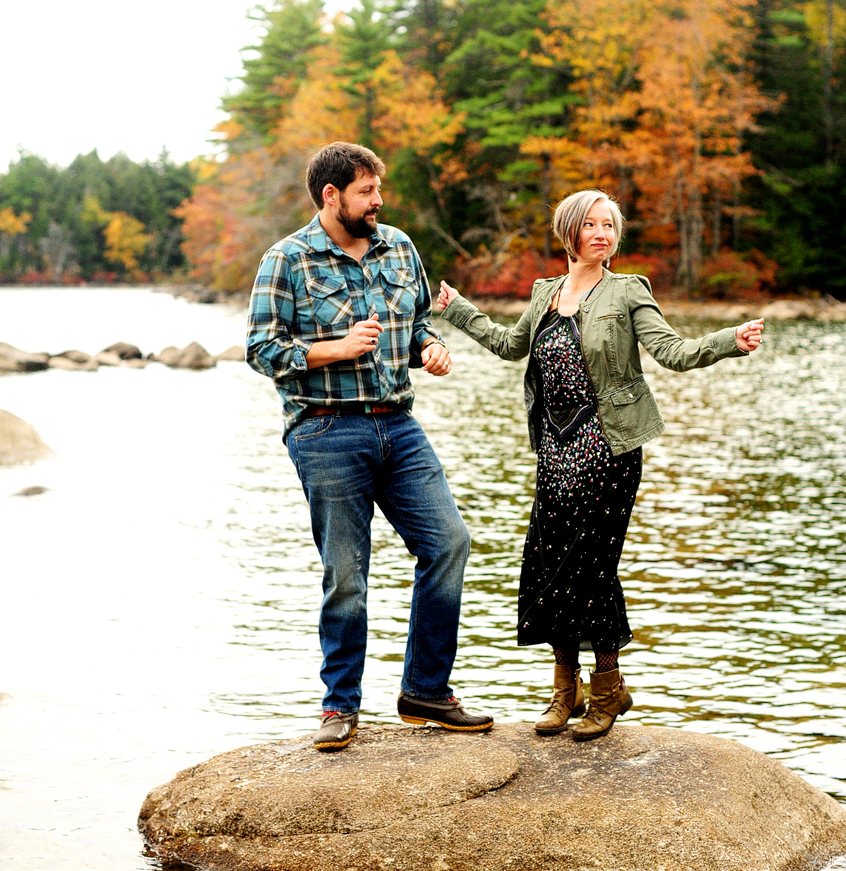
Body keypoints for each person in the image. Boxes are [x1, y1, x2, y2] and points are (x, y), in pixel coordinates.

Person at [437, 189, 763, 742]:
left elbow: (673, 352)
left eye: (609, 225)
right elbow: (510, 346)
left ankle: (607, 689)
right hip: (556, 449)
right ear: (568, 231)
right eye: (590, 224)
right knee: (549, 565)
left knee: (592, 566)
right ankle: (564, 691)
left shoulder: (628, 291)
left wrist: (729, 340)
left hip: (609, 447)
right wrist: (458, 310)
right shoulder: (545, 294)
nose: (602, 234)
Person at [246, 141, 493, 750]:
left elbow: (414, 328)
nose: (378, 200)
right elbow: (260, 349)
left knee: (449, 543)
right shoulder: (287, 260)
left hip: (398, 425)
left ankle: (425, 692)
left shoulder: (400, 247)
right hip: (326, 430)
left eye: (378, 189)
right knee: (348, 572)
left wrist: (428, 349)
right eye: (366, 191)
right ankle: (339, 707)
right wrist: (334, 348)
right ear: (331, 196)